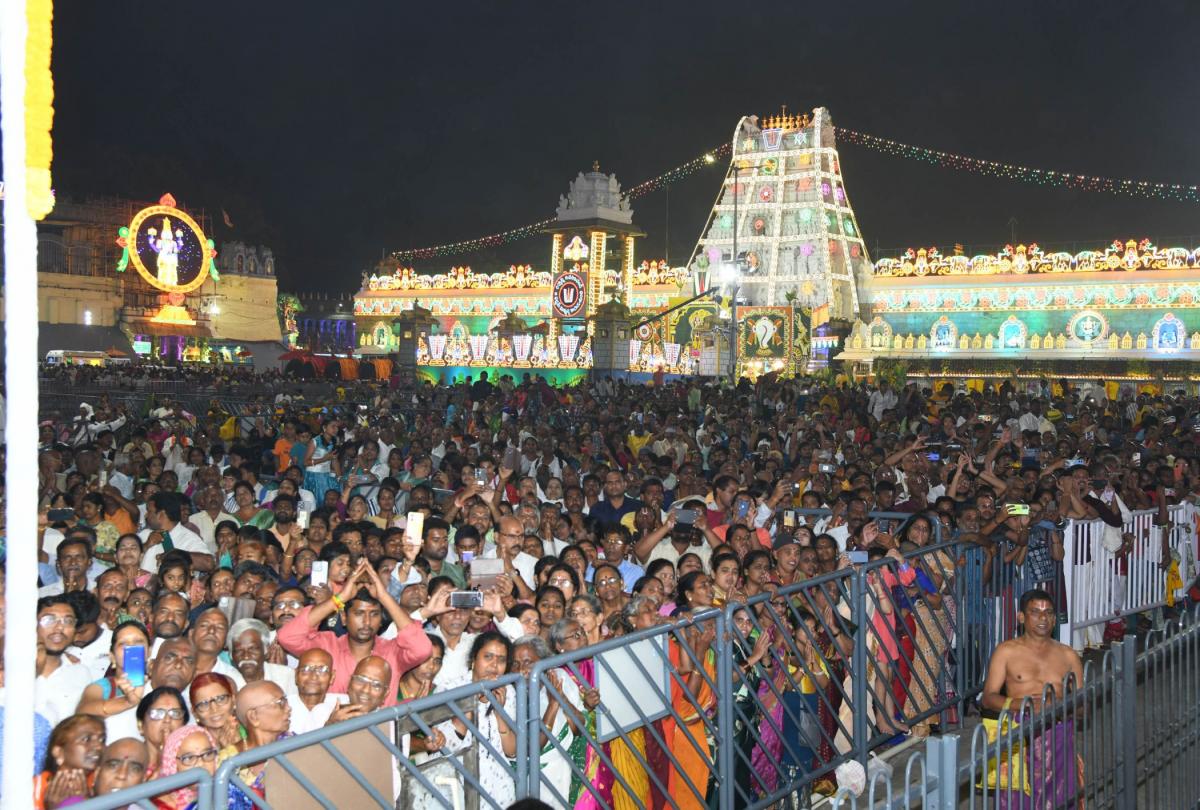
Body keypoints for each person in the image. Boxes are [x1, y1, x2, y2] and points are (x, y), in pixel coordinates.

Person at [277, 558, 439, 703]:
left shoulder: (392, 652)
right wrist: (340, 598)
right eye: (359, 613)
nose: (367, 622)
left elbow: (422, 649)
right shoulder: (325, 645)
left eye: (374, 614)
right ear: (344, 617)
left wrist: (384, 596)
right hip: (332, 732)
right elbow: (287, 637)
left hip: (381, 734)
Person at [981, 588, 1085, 808]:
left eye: (1048, 612)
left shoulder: (1068, 656)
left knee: (1058, 797)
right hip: (1019, 732)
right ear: (1021, 617)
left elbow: (1082, 707)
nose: (1043, 617)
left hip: (1057, 732)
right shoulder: (1006, 651)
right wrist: (1023, 705)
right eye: (1035, 611)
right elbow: (988, 698)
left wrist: (1058, 706)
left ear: (1055, 619)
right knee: (1017, 798)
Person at [34, 714, 106, 810]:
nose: (99, 746)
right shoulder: (33, 788)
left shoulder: (101, 782)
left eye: (102, 740)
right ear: (59, 752)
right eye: (86, 739)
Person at [153, 725, 221, 809]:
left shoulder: (225, 788)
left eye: (207, 754)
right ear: (173, 764)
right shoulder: (160, 806)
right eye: (189, 758)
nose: (200, 763)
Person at [136, 687, 189, 778]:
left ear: (183, 725)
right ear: (141, 726)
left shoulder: (192, 760)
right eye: (157, 713)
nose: (167, 720)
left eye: (175, 713)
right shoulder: (131, 763)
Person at [286, 649, 342, 735]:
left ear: (332, 677)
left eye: (322, 670)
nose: (313, 676)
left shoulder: (343, 705)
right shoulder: (280, 708)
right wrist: (329, 728)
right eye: (306, 669)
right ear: (296, 675)